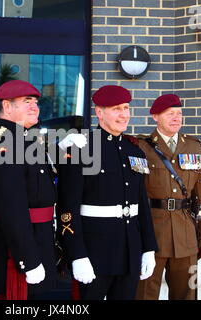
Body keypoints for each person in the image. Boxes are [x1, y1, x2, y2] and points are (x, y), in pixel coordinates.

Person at [56, 85, 158, 300]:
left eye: (126, 108)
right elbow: (67, 207)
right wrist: (77, 255)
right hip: (95, 252)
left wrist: (149, 247)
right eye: (116, 109)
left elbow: (141, 202)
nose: (124, 115)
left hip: (130, 250)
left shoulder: (135, 150)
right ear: (99, 112)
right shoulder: (81, 148)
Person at [0, 80, 58, 300]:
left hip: (37, 239)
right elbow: (12, 210)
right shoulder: (4, 145)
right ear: (7, 106)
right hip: (15, 250)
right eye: (26, 101)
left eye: (36, 102)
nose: (35, 107)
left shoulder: (28, 142)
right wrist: (29, 259)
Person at [135, 94, 201, 300]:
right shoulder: (140, 146)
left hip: (186, 234)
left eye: (179, 113)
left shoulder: (195, 146)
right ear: (155, 117)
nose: (177, 118)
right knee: (144, 295)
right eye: (170, 114)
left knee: (187, 294)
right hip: (151, 234)